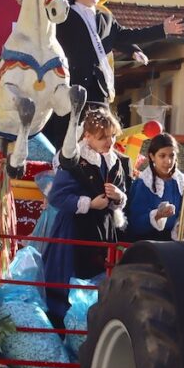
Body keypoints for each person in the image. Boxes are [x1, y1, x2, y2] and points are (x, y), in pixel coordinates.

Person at [42, 0, 184, 148]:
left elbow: (123, 36)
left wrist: (162, 30)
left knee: (101, 135)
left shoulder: (106, 18)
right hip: (71, 87)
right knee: (68, 139)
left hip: (99, 89)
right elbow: (42, 16)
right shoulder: (64, 14)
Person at [43, 107, 130, 327]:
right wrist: (88, 204)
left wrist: (118, 196)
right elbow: (57, 196)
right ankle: (66, 329)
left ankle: (92, 325)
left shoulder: (115, 161)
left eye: (111, 136)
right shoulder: (73, 160)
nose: (109, 142)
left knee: (101, 283)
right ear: (87, 136)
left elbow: (122, 191)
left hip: (103, 230)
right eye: (102, 137)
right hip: (74, 229)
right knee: (68, 284)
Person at [127, 132, 184, 241]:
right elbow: (135, 223)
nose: (168, 161)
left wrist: (183, 223)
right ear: (152, 156)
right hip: (148, 244)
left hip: (176, 244)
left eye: (172, 155)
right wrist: (157, 215)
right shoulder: (143, 184)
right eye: (162, 156)